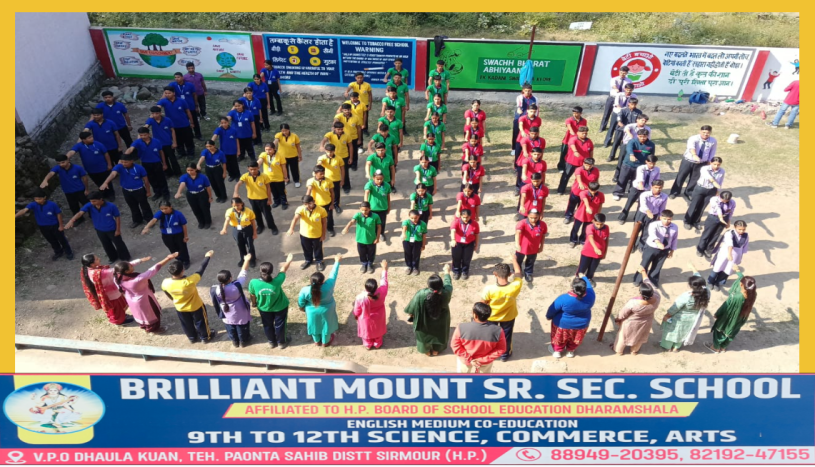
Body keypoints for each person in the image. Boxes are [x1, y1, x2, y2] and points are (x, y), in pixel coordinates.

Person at [113, 253, 178, 333]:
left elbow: (128, 264)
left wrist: (141, 260)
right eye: (131, 266)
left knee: (141, 315)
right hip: (144, 300)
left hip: (132, 300)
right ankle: (154, 329)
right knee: (153, 314)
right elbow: (154, 269)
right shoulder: (137, 279)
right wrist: (168, 258)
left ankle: (145, 326)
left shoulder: (117, 277)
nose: (132, 265)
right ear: (126, 271)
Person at [161, 250, 217, 344]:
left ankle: (192, 338)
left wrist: (175, 299)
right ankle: (205, 337)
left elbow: (167, 294)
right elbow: (201, 269)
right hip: (195, 306)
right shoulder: (189, 281)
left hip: (180, 307)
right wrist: (207, 257)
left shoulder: (165, 283)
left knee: (186, 324)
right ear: (182, 271)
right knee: (201, 322)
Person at [65, 191, 131, 263]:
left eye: (94, 201)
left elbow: (117, 217)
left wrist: (118, 230)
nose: (92, 203)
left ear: (101, 199)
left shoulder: (111, 206)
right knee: (106, 245)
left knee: (119, 243)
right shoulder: (90, 205)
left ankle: (125, 257)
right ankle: (113, 257)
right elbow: (80, 213)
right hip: (99, 229)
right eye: (91, 201)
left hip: (111, 229)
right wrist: (72, 220)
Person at [705, 265, 757, 353]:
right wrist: (738, 271)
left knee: (720, 329)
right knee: (732, 331)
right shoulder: (753, 294)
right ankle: (724, 347)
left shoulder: (736, 297)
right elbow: (743, 279)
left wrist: (718, 313)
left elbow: (726, 305)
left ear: (741, 285)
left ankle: (716, 347)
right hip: (740, 317)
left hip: (729, 316)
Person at [405, 264, 453, 356]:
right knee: (440, 334)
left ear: (429, 286)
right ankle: (436, 350)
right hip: (441, 321)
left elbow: (411, 308)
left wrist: (411, 315)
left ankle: (426, 351)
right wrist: (447, 272)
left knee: (424, 336)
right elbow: (448, 284)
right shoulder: (446, 292)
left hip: (424, 321)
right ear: (441, 286)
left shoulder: (421, 294)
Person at [660, 263, 710, 352]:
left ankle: (667, 347)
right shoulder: (707, 292)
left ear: (692, 286)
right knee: (683, 332)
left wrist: (667, 315)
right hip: (693, 319)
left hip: (679, 318)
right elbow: (700, 280)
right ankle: (676, 347)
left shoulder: (687, 296)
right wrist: (693, 268)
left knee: (672, 332)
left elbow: (675, 307)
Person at [248, 254, 295, 349]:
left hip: (264, 308)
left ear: (260, 271)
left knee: (267, 325)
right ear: (272, 272)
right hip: (280, 307)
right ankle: (281, 342)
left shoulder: (253, 282)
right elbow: (283, 270)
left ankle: (271, 342)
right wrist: (288, 261)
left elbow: (252, 295)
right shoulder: (277, 281)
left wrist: (254, 303)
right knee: (280, 325)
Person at [481, 258, 523, 361]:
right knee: (506, 336)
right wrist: (514, 259)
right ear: (510, 274)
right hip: (508, 316)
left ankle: (491, 352)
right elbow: (518, 273)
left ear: (495, 274)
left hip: (492, 317)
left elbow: (482, 304)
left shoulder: (489, 289)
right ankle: (504, 355)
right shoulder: (515, 286)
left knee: (491, 335)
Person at [613, 266, 661, 356]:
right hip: (647, 322)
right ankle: (634, 351)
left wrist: (618, 319)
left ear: (641, 293)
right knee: (640, 337)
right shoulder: (657, 296)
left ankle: (619, 351)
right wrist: (643, 272)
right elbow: (648, 282)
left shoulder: (634, 303)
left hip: (631, 322)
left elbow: (623, 314)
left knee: (623, 337)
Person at [546, 274, 595, 359]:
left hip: (562, 324)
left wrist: (548, 316)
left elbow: (553, 309)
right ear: (585, 288)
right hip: (582, 324)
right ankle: (570, 351)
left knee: (559, 338)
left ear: (572, 288)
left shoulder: (564, 298)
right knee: (575, 339)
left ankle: (557, 351)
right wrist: (584, 277)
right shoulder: (591, 295)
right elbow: (589, 286)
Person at [15, 189, 73, 261]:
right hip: (43, 227)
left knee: (62, 239)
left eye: (39, 199)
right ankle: (58, 252)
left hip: (54, 225)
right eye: (36, 199)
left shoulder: (52, 205)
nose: (37, 200)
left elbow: (59, 214)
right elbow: (24, 210)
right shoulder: (33, 204)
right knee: (51, 240)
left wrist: (61, 225)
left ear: (44, 197)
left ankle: (68, 252)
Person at [298, 254, 343, 346]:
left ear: (311, 281)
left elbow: (301, 302)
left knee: (314, 325)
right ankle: (325, 342)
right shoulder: (329, 285)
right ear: (323, 281)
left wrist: (302, 308)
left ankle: (316, 341)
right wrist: (337, 262)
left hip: (311, 311)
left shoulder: (305, 290)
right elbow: (333, 274)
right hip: (327, 310)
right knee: (326, 326)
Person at [210, 254, 254, 348]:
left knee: (230, 327)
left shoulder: (215, 289)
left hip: (225, 311)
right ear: (230, 278)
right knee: (242, 326)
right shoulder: (236, 286)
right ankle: (243, 341)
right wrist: (246, 260)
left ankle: (235, 342)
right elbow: (243, 273)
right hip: (240, 310)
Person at [80, 253, 136, 325]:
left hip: (106, 294)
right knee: (116, 308)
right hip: (111, 294)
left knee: (114, 309)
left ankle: (120, 317)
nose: (99, 259)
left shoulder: (86, 269)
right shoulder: (101, 273)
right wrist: (138, 261)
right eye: (96, 259)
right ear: (92, 264)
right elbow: (119, 269)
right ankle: (119, 321)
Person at [98, 154, 153, 228]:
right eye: (122, 162)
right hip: (126, 191)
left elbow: (146, 180)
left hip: (139, 190)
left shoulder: (139, 168)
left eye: (126, 162)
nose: (124, 164)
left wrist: (148, 191)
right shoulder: (120, 167)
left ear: (132, 161)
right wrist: (106, 182)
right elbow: (113, 174)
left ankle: (149, 220)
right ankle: (137, 220)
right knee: (132, 206)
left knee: (144, 205)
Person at [451, 302, 506, 374]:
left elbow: (455, 345)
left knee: (462, 378)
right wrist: (482, 360)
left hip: (465, 359)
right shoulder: (498, 331)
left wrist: (469, 359)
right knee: (482, 380)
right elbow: (501, 349)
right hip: (485, 362)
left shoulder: (461, 327)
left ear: (475, 315)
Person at [669, 126, 717, 200]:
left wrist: (709, 161)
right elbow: (691, 148)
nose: (705, 134)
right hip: (688, 161)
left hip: (702, 163)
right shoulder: (693, 138)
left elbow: (712, 152)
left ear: (710, 133)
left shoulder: (713, 141)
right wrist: (695, 155)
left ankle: (689, 192)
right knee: (681, 176)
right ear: (700, 131)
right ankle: (674, 192)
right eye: (703, 132)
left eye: (707, 133)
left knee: (695, 178)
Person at [633, 210, 678, 287]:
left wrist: (672, 251)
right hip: (651, 247)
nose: (666, 221)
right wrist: (658, 242)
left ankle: (652, 281)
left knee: (657, 266)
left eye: (669, 219)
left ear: (672, 219)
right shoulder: (654, 225)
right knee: (644, 263)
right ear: (661, 217)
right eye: (664, 219)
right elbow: (652, 234)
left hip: (665, 249)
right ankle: (638, 279)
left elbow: (674, 239)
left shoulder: (675, 227)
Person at [141, 201, 191, 268]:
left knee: (182, 248)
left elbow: (184, 225)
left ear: (170, 207)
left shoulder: (178, 214)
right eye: (162, 209)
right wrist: (146, 227)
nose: (164, 210)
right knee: (172, 248)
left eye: (166, 208)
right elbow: (154, 220)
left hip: (178, 235)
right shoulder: (161, 213)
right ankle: (179, 260)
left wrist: (185, 236)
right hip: (166, 235)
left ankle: (186, 261)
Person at [352, 260, 389, 350]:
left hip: (365, 318)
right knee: (378, 329)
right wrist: (384, 269)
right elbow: (384, 281)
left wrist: (356, 316)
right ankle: (377, 343)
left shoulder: (360, 297)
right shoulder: (382, 291)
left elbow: (357, 310)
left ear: (366, 288)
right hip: (379, 316)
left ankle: (368, 344)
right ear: (376, 287)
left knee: (367, 331)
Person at [125, 127, 169, 201]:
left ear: (149, 134)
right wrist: (125, 156)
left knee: (161, 178)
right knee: (151, 179)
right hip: (146, 164)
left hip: (157, 163)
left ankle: (165, 193)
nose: (143, 137)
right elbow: (131, 148)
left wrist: (164, 163)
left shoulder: (156, 141)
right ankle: (157, 192)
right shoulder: (138, 142)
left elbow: (161, 152)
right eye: (141, 135)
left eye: (145, 135)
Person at [234, 162, 278, 235]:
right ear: (248, 169)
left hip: (263, 199)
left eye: (255, 169)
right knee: (256, 214)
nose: (253, 171)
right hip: (252, 199)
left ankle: (273, 227)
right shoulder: (245, 176)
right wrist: (236, 192)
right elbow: (238, 184)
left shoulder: (264, 176)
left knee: (267, 214)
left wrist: (269, 199)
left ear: (258, 168)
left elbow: (268, 188)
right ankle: (260, 226)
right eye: (251, 169)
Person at [67, 131, 114, 201]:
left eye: (91, 137)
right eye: (89, 138)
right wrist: (66, 158)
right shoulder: (79, 146)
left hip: (103, 168)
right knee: (98, 182)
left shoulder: (98, 144)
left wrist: (109, 164)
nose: (92, 138)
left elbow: (106, 154)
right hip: (91, 170)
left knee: (107, 182)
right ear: (83, 140)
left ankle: (111, 195)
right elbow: (72, 152)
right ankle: (103, 193)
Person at [39, 154, 89, 219]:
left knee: (86, 204)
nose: (61, 164)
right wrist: (45, 180)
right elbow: (51, 173)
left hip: (80, 190)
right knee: (73, 206)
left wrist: (86, 189)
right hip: (68, 192)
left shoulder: (77, 168)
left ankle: (93, 214)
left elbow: (85, 179)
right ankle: (79, 219)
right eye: (59, 163)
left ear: (68, 160)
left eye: (63, 162)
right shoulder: (58, 168)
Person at [288, 195, 328, 271]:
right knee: (306, 249)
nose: (308, 206)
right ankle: (308, 260)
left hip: (317, 235)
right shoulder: (301, 209)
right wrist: (291, 228)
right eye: (305, 204)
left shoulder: (321, 210)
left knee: (318, 249)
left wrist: (323, 235)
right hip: (304, 234)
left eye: (310, 203)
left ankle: (319, 261)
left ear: (314, 202)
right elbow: (295, 218)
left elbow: (324, 223)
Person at [684, 157, 725, 230]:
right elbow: (707, 176)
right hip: (700, 189)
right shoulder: (704, 168)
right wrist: (714, 182)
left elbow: (720, 181)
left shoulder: (722, 171)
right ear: (711, 163)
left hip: (711, 190)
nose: (716, 166)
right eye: (714, 164)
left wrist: (718, 191)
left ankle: (696, 221)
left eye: (718, 165)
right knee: (694, 205)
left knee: (702, 207)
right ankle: (687, 221)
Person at [613, 130, 655, 200]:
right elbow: (629, 148)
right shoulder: (632, 141)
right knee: (622, 179)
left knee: (635, 181)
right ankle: (618, 193)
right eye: (640, 136)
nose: (642, 138)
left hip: (640, 167)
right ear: (637, 136)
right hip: (627, 164)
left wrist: (650, 163)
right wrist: (631, 155)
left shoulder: (651, 145)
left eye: (644, 136)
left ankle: (632, 194)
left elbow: (651, 155)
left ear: (647, 136)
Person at [617, 155, 660, 223]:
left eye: (654, 163)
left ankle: (637, 218)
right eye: (650, 163)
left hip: (647, 190)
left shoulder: (657, 169)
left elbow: (656, 180)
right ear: (646, 162)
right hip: (636, 188)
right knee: (629, 202)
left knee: (641, 205)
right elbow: (640, 177)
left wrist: (654, 189)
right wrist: (640, 184)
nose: (652, 165)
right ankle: (622, 217)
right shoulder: (641, 168)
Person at [708, 221, 749, 291]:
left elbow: (745, 246)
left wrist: (740, 256)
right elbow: (730, 244)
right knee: (718, 267)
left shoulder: (746, 236)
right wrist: (729, 254)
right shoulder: (729, 233)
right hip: (725, 254)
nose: (742, 231)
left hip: (735, 256)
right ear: (735, 227)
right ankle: (710, 282)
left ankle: (718, 282)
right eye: (739, 229)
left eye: (743, 229)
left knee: (728, 270)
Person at [342, 201, 382, 273]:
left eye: (366, 210)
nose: (364, 211)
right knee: (361, 253)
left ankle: (370, 264)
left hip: (371, 239)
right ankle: (364, 263)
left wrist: (377, 237)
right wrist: (346, 227)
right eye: (362, 210)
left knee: (371, 253)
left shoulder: (375, 216)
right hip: (360, 239)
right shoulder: (358, 215)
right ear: (359, 209)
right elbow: (352, 221)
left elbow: (379, 227)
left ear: (370, 209)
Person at [156, 86, 195, 157]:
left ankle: (190, 153)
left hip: (184, 124)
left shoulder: (181, 101)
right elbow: (158, 107)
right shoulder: (163, 101)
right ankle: (181, 152)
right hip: (173, 126)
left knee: (188, 139)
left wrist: (191, 122)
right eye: (166, 93)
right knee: (177, 140)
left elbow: (188, 111)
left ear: (173, 93)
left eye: (169, 93)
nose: (167, 95)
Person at [612, 113, 652, 181]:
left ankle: (631, 177)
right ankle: (617, 176)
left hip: (638, 147)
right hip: (626, 145)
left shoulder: (647, 129)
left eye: (645, 121)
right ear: (637, 120)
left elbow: (648, 139)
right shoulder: (631, 126)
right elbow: (626, 128)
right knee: (621, 161)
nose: (644, 122)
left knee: (634, 162)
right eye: (642, 120)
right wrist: (630, 134)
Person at [219, 198, 257, 267]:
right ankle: (243, 259)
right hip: (236, 230)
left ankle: (252, 259)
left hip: (247, 229)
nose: (236, 207)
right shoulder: (229, 211)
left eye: (238, 205)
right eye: (234, 206)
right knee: (240, 245)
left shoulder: (248, 211)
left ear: (242, 203)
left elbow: (253, 222)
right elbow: (227, 220)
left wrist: (254, 233)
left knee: (250, 245)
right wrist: (224, 228)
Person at [696, 191, 735, 258]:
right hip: (713, 218)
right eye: (723, 200)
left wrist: (728, 222)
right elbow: (717, 208)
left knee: (716, 235)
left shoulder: (732, 202)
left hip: (724, 218)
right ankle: (700, 249)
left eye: (727, 200)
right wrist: (720, 217)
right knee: (706, 234)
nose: (725, 202)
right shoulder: (714, 199)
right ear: (720, 197)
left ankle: (709, 249)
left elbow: (731, 212)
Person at [144, 106, 181, 177]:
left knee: (172, 158)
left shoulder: (167, 120)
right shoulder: (151, 120)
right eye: (153, 113)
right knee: (163, 159)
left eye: (157, 113)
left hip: (168, 143)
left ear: (160, 113)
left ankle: (177, 172)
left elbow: (172, 131)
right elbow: (146, 127)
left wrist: (174, 142)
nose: (155, 115)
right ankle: (168, 172)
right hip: (158, 144)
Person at [557, 126, 594, 195]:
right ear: (578, 133)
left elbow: (591, 151)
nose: (584, 135)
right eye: (582, 133)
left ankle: (580, 190)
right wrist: (575, 151)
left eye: (586, 133)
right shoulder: (573, 139)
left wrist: (591, 160)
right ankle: (561, 190)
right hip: (571, 162)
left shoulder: (589, 141)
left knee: (582, 178)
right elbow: (572, 145)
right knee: (566, 176)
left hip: (583, 164)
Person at [632, 180, 669, 248]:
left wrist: (660, 217)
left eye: (660, 187)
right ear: (652, 187)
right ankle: (632, 246)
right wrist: (648, 211)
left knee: (647, 232)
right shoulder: (644, 194)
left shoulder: (664, 196)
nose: (658, 189)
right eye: (656, 187)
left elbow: (662, 208)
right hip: (642, 214)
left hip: (653, 216)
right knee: (636, 231)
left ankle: (641, 246)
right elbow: (643, 205)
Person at [576, 213, 608, 286]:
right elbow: (590, 237)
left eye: (601, 224)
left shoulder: (606, 228)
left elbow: (606, 240)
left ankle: (589, 278)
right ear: (593, 221)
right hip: (587, 251)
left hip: (598, 253)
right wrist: (595, 248)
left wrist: (605, 252)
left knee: (592, 268)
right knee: (582, 267)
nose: (599, 226)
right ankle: (578, 279)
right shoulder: (589, 227)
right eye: (597, 224)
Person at [515, 209, 547, 282]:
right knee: (518, 260)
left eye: (535, 218)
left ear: (539, 216)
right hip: (522, 247)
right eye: (531, 217)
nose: (533, 219)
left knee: (531, 261)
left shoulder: (542, 225)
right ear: (528, 216)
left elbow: (543, 236)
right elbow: (518, 233)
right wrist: (517, 244)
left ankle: (528, 273)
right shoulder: (522, 223)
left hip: (533, 248)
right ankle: (517, 271)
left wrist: (541, 246)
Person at [321, 122, 354, 194]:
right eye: (338, 129)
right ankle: (332, 186)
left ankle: (346, 186)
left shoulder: (347, 136)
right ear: (334, 129)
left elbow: (350, 146)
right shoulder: (330, 134)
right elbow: (324, 139)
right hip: (333, 157)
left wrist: (351, 158)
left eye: (341, 129)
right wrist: (322, 145)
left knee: (345, 172)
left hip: (344, 156)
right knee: (333, 172)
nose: (340, 131)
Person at [564, 157, 599, 223]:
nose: (588, 167)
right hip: (577, 191)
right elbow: (578, 177)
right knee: (572, 204)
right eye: (586, 165)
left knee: (581, 205)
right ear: (583, 163)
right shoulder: (579, 169)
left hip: (587, 192)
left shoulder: (596, 170)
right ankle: (568, 216)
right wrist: (580, 183)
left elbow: (596, 180)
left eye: (590, 166)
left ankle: (578, 216)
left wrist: (595, 187)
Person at [570, 182, 604, 247]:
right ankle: (573, 240)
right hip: (580, 214)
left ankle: (582, 240)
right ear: (588, 188)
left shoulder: (601, 195)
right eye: (591, 190)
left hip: (591, 216)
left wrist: (597, 215)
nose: (593, 192)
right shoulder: (583, 192)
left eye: (595, 190)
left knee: (586, 229)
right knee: (575, 228)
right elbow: (585, 199)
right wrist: (587, 207)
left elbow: (600, 205)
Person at [604, 84, 638, 148]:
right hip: (617, 112)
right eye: (627, 90)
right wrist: (623, 110)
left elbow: (633, 104)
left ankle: (619, 143)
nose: (628, 91)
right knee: (612, 127)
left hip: (626, 114)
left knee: (623, 128)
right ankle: (607, 142)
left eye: (630, 90)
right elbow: (617, 104)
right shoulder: (619, 94)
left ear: (632, 90)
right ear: (625, 89)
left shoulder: (634, 96)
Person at [450, 209, 480, 280]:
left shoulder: (475, 224)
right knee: (456, 258)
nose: (465, 219)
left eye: (467, 217)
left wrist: (476, 244)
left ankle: (465, 271)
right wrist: (453, 239)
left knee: (466, 259)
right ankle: (456, 271)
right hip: (457, 243)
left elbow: (476, 234)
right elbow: (453, 230)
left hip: (469, 243)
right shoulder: (456, 222)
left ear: (470, 216)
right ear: (461, 216)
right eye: (463, 217)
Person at [170, 72, 201, 140]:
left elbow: (194, 95)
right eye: (175, 77)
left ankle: (198, 135)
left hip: (190, 106)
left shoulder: (189, 85)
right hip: (180, 108)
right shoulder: (172, 85)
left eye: (178, 77)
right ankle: (190, 135)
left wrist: (196, 105)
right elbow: (167, 92)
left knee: (194, 120)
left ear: (182, 77)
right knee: (185, 122)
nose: (177, 79)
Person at [305, 166, 335, 236]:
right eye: (320, 174)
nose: (323, 175)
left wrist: (332, 204)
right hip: (317, 205)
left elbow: (332, 193)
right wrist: (307, 201)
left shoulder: (328, 181)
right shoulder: (311, 181)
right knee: (317, 218)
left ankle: (330, 229)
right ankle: (319, 230)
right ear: (315, 173)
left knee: (329, 218)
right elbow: (309, 189)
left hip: (327, 203)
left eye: (323, 173)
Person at [317, 143, 345, 218]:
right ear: (325, 151)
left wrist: (342, 179)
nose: (329, 153)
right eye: (328, 151)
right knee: (326, 193)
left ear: (334, 151)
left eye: (331, 151)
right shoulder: (322, 158)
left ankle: (336, 205)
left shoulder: (339, 158)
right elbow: (319, 163)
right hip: (325, 180)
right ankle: (327, 205)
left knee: (336, 193)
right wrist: (319, 163)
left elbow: (342, 169)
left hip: (336, 179)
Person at [600, 66, 631, 132]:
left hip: (621, 99)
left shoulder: (628, 81)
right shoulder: (614, 79)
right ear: (619, 71)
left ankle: (616, 126)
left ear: (627, 73)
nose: (623, 75)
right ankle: (602, 127)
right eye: (622, 73)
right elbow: (613, 86)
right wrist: (617, 89)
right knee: (607, 113)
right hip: (612, 98)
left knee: (619, 113)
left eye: (624, 73)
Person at [257, 143, 288, 210]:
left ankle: (284, 202)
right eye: (266, 149)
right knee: (273, 191)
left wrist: (285, 177)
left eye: (270, 149)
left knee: (281, 191)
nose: (268, 151)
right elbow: (260, 160)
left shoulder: (280, 155)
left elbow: (284, 168)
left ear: (274, 149)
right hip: (268, 178)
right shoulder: (264, 154)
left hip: (279, 178)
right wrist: (257, 165)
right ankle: (276, 201)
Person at [364, 170, 391, 242]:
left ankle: (381, 233)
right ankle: (372, 233)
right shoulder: (370, 184)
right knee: (372, 222)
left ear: (383, 178)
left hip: (383, 208)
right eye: (377, 179)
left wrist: (389, 206)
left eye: (381, 179)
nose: (379, 181)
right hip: (372, 208)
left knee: (382, 222)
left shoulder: (387, 185)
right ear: (373, 178)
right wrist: (366, 205)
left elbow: (388, 196)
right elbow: (367, 192)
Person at [212, 117, 241, 181]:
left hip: (233, 151)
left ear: (228, 122)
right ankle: (231, 175)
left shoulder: (233, 130)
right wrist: (211, 143)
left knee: (234, 164)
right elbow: (215, 135)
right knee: (226, 164)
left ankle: (237, 175)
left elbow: (237, 140)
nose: (224, 124)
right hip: (224, 151)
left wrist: (238, 150)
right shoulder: (219, 130)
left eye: (225, 122)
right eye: (222, 123)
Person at [560, 106, 586, 172]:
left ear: (581, 113)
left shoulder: (584, 121)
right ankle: (561, 167)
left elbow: (583, 130)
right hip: (567, 141)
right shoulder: (569, 120)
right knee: (563, 154)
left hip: (577, 142)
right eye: (574, 113)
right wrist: (573, 133)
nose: (575, 114)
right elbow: (569, 127)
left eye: (577, 113)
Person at [402, 209, 428, 275]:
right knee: (407, 254)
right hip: (407, 241)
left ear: (419, 216)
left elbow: (424, 236)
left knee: (416, 255)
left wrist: (423, 245)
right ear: (409, 216)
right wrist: (404, 234)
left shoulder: (423, 224)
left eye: (416, 218)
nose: (414, 220)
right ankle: (409, 266)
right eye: (412, 218)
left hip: (417, 242)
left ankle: (415, 267)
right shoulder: (406, 222)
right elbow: (404, 227)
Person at [511, 84, 538, 148]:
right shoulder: (520, 97)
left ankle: (529, 146)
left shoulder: (535, 99)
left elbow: (537, 109)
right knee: (516, 133)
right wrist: (519, 109)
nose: (527, 92)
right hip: (519, 118)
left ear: (531, 91)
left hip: (529, 119)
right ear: (523, 90)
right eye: (526, 91)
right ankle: (514, 148)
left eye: (529, 91)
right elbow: (519, 106)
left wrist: (536, 118)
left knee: (530, 133)